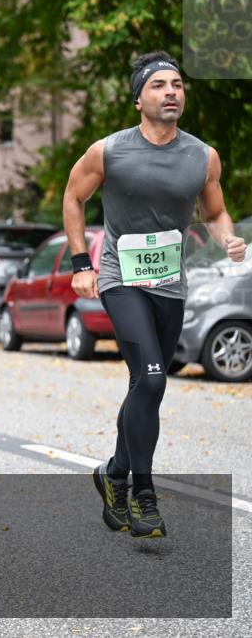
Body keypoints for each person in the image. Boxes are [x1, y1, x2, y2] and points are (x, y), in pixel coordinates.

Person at [63, 50, 247, 539]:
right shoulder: (108, 151)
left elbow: (215, 211)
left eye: (177, 85)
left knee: (147, 385)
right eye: (159, 85)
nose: (171, 92)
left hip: (169, 284)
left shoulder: (202, 156)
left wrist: (227, 237)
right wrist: (81, 264)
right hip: (120, 278)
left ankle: (113, 473)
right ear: (138, 99)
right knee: (150, 377)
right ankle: (143, 495)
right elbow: (74, 197)